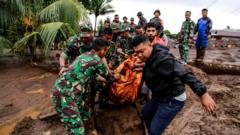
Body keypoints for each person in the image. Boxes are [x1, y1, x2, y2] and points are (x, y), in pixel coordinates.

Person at [131, 34, 216, 135]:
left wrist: (203, 94)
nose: (139, 55)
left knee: (154, 131)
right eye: (136, 53)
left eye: (141, 51)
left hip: (172, 98)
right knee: (146, 112)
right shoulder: (147, 58)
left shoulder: (163, 59)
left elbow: (185, 74)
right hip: (159, 95)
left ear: (150, 45)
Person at [51, 38, 119, 135]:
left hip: (71, 92)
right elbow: (109, 78)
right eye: (106, 51)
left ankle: (91, 131)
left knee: (85, 112)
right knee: (77, 131)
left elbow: (93, 75)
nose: (106, 53)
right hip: (64, 94)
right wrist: (116, 76)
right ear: (103, 50)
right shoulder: (97, 61)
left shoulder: (83, 56)